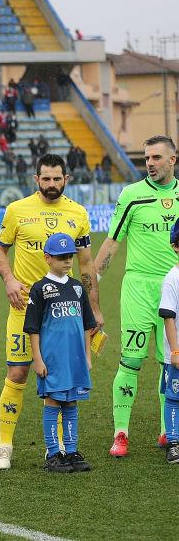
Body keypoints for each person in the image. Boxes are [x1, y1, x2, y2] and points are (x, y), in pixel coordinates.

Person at [0, 154, 99, 470]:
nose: (51, 184)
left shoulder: (78, 213)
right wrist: (9, 279)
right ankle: (5, 445)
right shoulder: (16, 211)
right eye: (46, 178)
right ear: (36, 179)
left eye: (57, 178)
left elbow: (86, 264)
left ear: (66, 178)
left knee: (62, 377)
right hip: (24, 308)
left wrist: (94, 308)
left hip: (65, 315)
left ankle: (59, 448)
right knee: (18, 372)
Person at [93, 135, 179, 456]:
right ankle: (121, 433)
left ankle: (167, 430)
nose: (150, 164)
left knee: (171, 363)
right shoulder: (131, 195)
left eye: (157, 157)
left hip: (174, 288)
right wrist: (93, 282)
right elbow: (112, 243)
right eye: (146, 158)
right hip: (138, 288)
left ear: (173, 159)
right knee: (131, 361)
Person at [24, 233, 95, 474]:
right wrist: (37, 358)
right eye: (62, 257)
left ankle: (72, 451)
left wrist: (87, 356)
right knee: (53, 401)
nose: (67, 261)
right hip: (52, 359)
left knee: (72, 402)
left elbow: (87, 324)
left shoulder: (77, 287)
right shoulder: (40, 289)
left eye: (70, 257)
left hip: (75, 358)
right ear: (47, 258)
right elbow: (32, 328)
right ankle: (54, 454)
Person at [158, 221, 179, 464]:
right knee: (174, 396)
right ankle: (173, 441)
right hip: (176, 352)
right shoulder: (173, 278)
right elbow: (168, 316)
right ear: (175, 246)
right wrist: (175, 351)